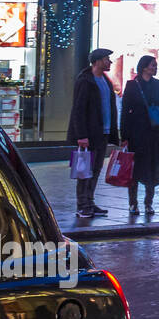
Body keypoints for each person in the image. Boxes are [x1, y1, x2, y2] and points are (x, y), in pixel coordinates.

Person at [67, 48, 119, 218]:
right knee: (84, 171)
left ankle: (90, 201)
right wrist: (81, 135)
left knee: (95, 170)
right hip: (89, 134)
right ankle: (82, 205)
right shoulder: (85, 81)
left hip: (102, 133)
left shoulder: (105, 80)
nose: (110, 62)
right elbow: (78, 109)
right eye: (106, 59)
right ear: (97, 61)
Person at [120, 55, 159, 216]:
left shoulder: (158, 85)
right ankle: (133, 204)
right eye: (153, 65)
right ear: (144, 67)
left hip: (154, 134)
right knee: (134, 170)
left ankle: (149, 203)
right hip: (136, 134)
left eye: (155, 65)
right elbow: (125, 111)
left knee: (152, 170)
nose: (155, 68)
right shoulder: (132, 85)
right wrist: (124, 135)